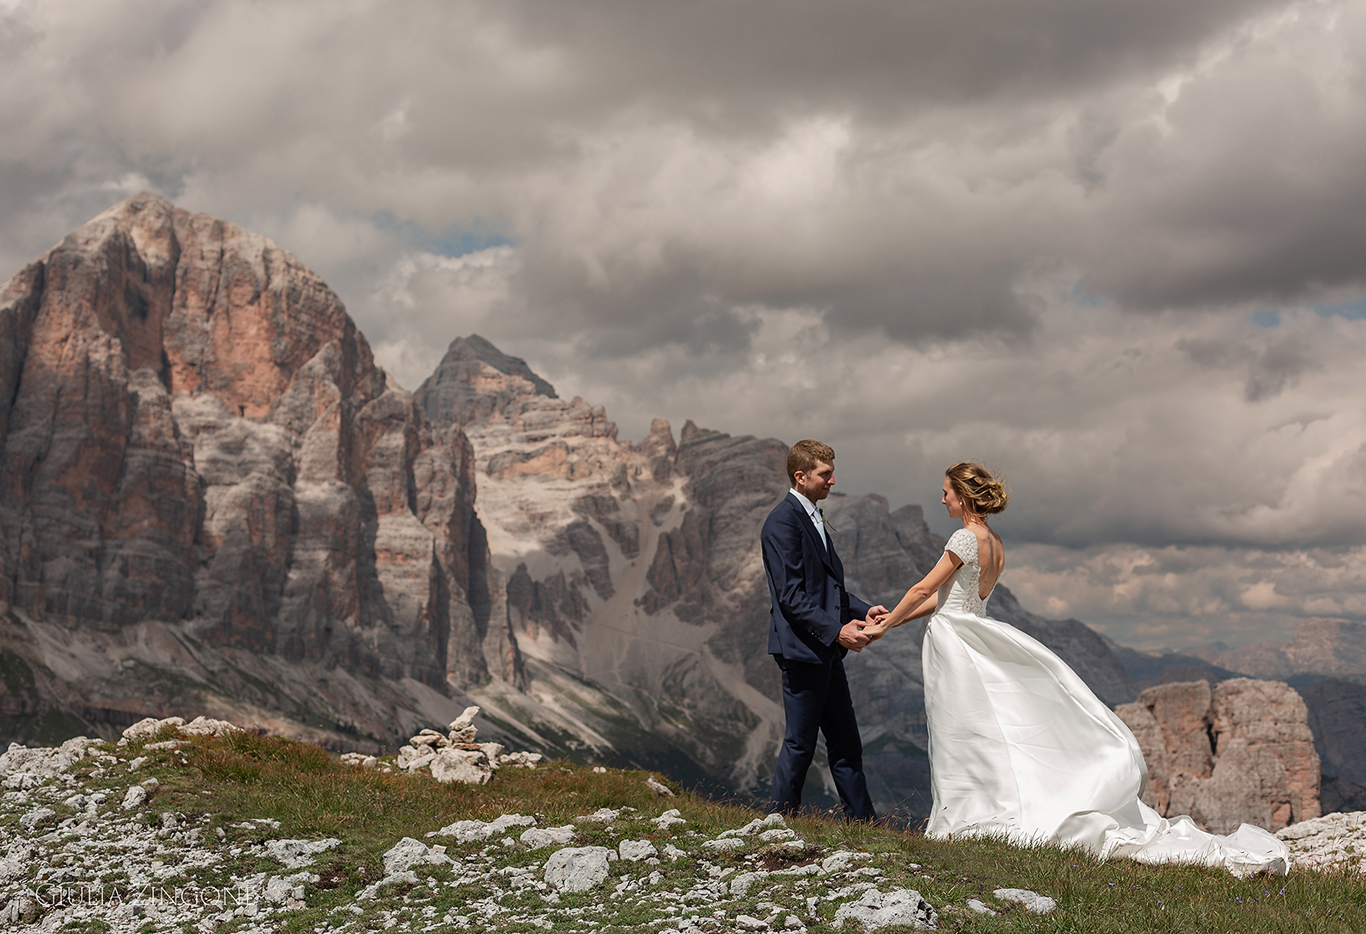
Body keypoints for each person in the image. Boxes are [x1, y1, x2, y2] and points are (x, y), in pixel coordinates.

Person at [861, 462, 1289, 875]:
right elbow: (947, 599)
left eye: (946, 492)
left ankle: (968, 820)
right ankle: (978, 815)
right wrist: (893, 620)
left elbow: (924, 588)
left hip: (956, 644)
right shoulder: (996, 543)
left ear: (963, 495)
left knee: (961, 730)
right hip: (973, 631)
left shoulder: (963, 538)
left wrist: (885, 627)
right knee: (984, 730)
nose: (941, 499)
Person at [761, 440, 886, 820]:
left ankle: (863, 823)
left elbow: (828, 590)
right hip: (803, 650)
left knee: (846, 741)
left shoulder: (813, 516)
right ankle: (778, 821)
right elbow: (791, 597)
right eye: (825, 474)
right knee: (800, 743)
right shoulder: (781, 522)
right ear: (801, 477)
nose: (833, 480)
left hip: (826, 650)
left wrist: (867, 611)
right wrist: (838, 632)